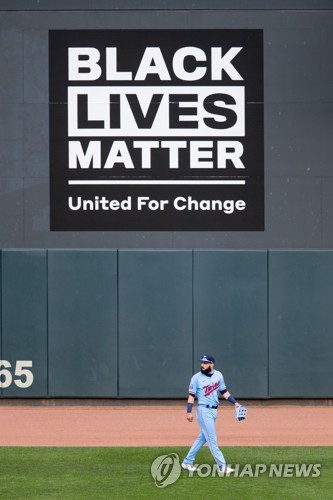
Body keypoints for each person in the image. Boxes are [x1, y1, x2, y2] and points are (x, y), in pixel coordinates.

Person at [182, 354, 242, 475]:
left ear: (212, 364)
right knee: (212, 440)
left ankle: (187, 462)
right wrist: (189, 411)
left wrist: (235, 403)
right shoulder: (196, 378)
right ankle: (222, 466)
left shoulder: (219, 375)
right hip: (203, 411)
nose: (202, 365)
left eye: (205, 363)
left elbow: (224, 391)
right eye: (202, 362)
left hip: (214, 411)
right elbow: (191, 396)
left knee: (203, 438)